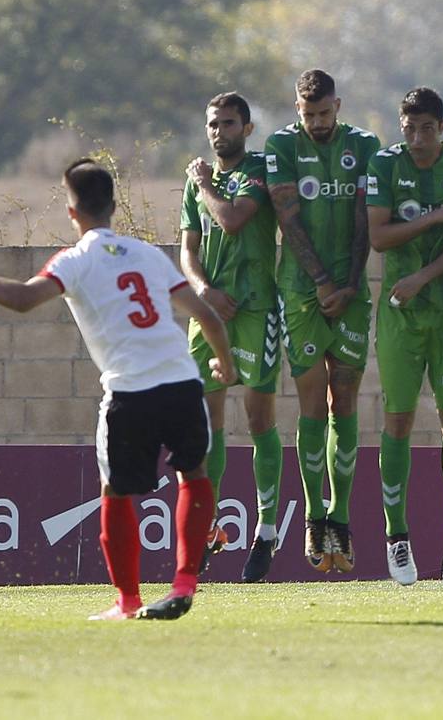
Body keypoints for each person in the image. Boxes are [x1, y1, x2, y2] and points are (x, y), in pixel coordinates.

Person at [0, 159, 236, 620]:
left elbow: (21, 299)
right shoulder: (149, 255)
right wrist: (225, 364)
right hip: (181, 383)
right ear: (114, 206)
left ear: (73, 214)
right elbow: (208, 316)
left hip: (130, 391)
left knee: (115, 492)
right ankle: (184, 583)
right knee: (193, 476)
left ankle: (128, 602)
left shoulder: (74, 260)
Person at [366, 87, 443, 586]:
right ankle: (397, 537)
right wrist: (435, 215)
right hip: (400, 313)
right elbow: (378, 237)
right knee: (397, 422)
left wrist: (424, 278)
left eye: (427, 129)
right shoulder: (385, 166)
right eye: (409, 128)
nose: (417, 138)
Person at [266, 69, 380, 572]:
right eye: (307, 113)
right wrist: (322, 282)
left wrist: (351, 282)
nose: (316, 121)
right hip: (301, 292)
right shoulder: (281, 145)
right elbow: (288, 219)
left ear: (339, 105)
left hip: (351, 291)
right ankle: (314, 516)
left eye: (324, 112)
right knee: (313, 401)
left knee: (346, 399)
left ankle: (341, 516)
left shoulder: (366, 145)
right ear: (297, 109)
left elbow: (365, 217)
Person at [179, 91, 284, 583]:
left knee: (259, 416)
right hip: (209, 313)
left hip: (255, 309)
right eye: (213, 124)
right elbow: (188, 249)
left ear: (247, 128)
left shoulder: (258, 170)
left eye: (228, 123)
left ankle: (265, 533)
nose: (219, 132)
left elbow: (233, 220)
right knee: (205, 421)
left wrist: (203, 185)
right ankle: (205, 530)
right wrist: (202, 290)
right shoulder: (194, 183)